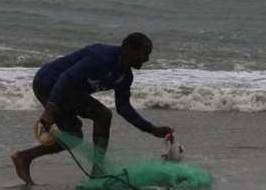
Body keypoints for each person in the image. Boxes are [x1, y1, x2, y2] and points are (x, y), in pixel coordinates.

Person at [11, 33, 174, 185]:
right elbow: (66, 77)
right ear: (129, 49)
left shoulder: (125, 76)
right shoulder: (101, 58)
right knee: (101, 115)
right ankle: (98, 170)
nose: (146, 59)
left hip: (69, 90)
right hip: (49, 82)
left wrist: (151, 129)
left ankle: (24, 157)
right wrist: (50, 111)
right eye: (144, 53)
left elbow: (124, 108)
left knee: (74, 135)